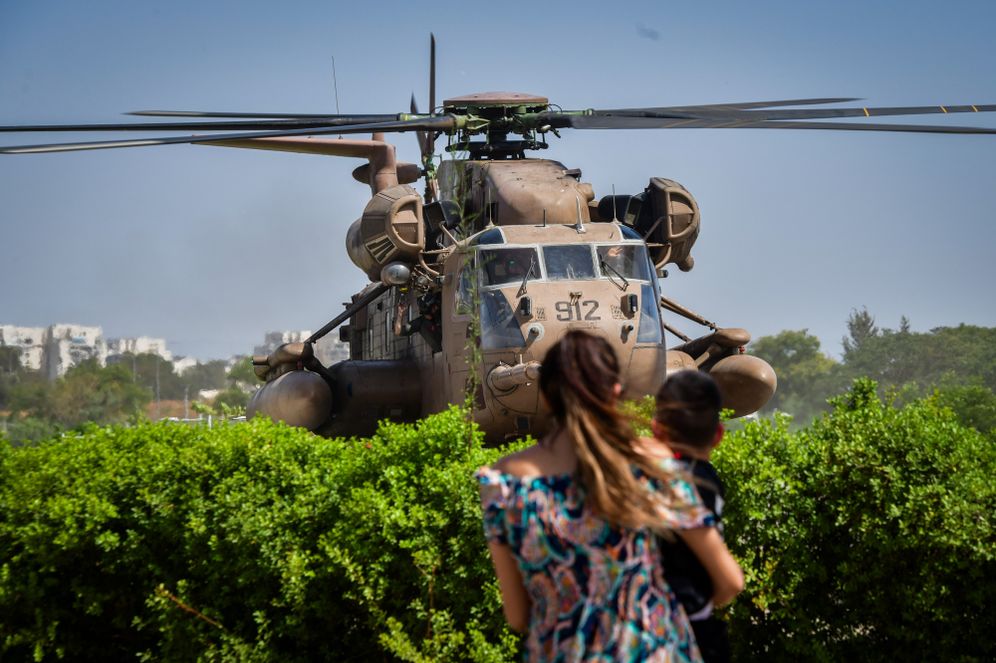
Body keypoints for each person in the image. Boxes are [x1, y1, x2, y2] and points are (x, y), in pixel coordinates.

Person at [475, 330, 743, 661]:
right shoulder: (655, 464)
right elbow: (728, 579)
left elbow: (518, 615)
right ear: (616, 389)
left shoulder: (503, 482)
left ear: (546, 395)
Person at [654, 371, 738, 663]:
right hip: (694, 626)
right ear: (718, 434)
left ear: (657, 431)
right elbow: (732, 583)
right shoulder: (707, 479)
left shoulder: (661, 480)